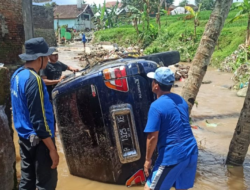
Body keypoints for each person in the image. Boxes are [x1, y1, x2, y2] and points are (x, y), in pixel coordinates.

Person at [11, 37, 59, 190]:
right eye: (46, 56)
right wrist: (52, 149)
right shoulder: (35, 80)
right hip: (40, 141)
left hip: (24, 138)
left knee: (27, 181)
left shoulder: (17, 75)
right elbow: (39, 119)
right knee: (46, 183)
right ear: (40, 58)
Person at [144, 67, 198, 190]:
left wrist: (147, 160)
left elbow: (152, 136)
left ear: (156, 85)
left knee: (149, 188)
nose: (151, 83)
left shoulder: (156, 106)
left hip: (173, 156)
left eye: (153, 80)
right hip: (191, 152)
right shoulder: (181, 100)